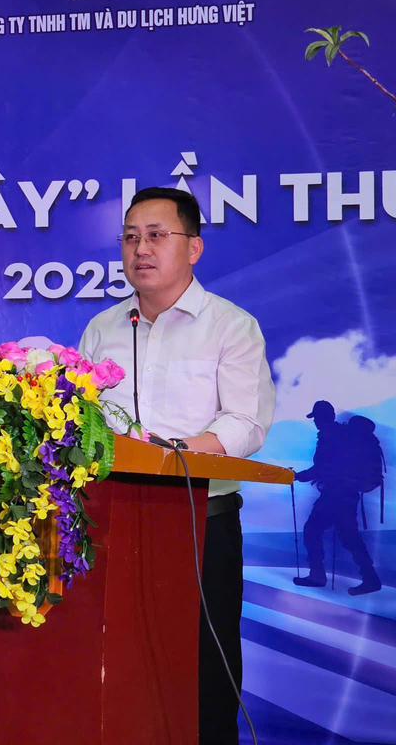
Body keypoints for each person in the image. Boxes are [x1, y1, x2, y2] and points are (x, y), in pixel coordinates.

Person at [79, 186, 275, 745]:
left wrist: (174, 454)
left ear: (193, 248)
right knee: (119, 660)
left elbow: (246, 421)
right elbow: (82, 421)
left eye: (156, 236)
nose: (140, 249)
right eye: (130, 237)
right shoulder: (102, 329)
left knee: (203, 670)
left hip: (200, 521)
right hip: (114, 520)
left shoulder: (231, 326)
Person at [293, 403, 382, 595]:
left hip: (335, 495)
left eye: (316, 417)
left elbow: (321, 468)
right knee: (349, 537)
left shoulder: (329, 437)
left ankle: (317, 575)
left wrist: (298, 476)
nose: (315, 422)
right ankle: (370, 578)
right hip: (347, 494)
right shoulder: (343, 435)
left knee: (312, 530)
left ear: (322, 417)